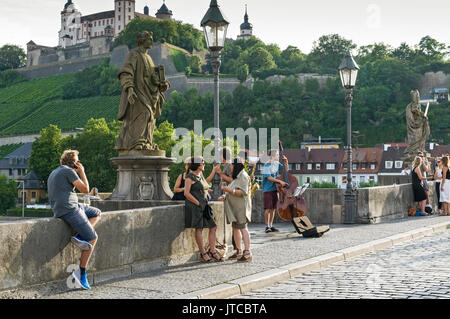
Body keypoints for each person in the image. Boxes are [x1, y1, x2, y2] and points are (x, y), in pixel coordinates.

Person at [47, 150, 101, 290]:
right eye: (77, 161)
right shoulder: (69, 171)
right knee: (93, 238)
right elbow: (85, 190)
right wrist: (82, 171)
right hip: (69, 209)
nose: (78, 163)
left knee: (96, 212)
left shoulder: (55, 172)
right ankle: (81, 273)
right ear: (72, 163)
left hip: (65, 208)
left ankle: (79, 236)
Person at [115, 31, 170, 152]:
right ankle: (136, 142)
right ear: (142, 41)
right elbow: (126, 72)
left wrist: (162, 84)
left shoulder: (149, 58)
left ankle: (147, 142)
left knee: (150, 117)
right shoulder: (134, 54)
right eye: (149, 39)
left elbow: (152, 78)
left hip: (149, 93)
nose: (151, 41)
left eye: (151, 39)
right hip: (138, 92)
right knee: (144, 113)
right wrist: (129, 89)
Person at [184, 157, 223, 262]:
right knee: (199, 228)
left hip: (204, 206)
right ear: (197, 165)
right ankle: (203, 253)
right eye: (203, 163)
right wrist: (197, 202)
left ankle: (212, 251)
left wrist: (213, 172)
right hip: (196, 207)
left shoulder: (200, 175)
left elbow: (206, 183)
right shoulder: (189, 177)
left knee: (213, 226)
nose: (204, 164)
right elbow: (186, 193)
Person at [219, 158, 253, 262]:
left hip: (241, 207)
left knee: (243, 228)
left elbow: (242, 192)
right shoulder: (237, 176)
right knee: (236, 228)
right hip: (235, 207)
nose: (230, 167)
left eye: (232, 165)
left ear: (236, 166)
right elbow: (234, 188)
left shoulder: (243, 176)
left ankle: (247, 252)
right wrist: (225, 196)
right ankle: (238, 251)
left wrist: (226, 189)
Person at [262, 149, 288, 233]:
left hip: (275, 189)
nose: (278, 156)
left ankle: (271, 225)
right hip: (267, 190)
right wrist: (280, 181)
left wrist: (286, 162)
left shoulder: (277, 163)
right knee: (268, 209)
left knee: (273, 208)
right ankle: (267, 226)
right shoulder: (267, 165)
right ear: (273, 156)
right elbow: (269, 177)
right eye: (277, 155)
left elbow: (285, 171)